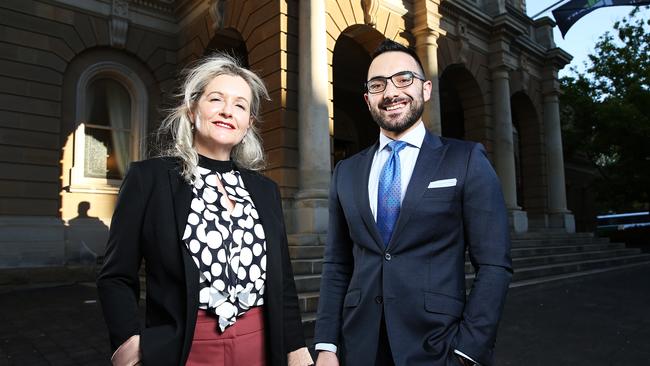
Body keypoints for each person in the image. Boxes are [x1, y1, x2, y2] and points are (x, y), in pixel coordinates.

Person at [97, 53, 313, 366]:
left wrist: (296, 348)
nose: (228, 111)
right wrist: (125, 342)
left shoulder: (265, 191)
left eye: (240, 105)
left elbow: (283, 283)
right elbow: (116, 274)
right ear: (192, 108)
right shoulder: (149, 179)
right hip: (184, 348)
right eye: (216, 99)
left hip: (261, 344)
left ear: (248, 123)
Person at [313, 39, 512, 366]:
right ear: (368, 99)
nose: (391, 92)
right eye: (378, 85)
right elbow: (337, 264)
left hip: (438, 347)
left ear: (426, 89)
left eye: (404, 79)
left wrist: (468, 352)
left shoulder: (465, 159)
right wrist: (326, 345)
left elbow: (494, 265)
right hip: (359, 348)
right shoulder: (345, 172)